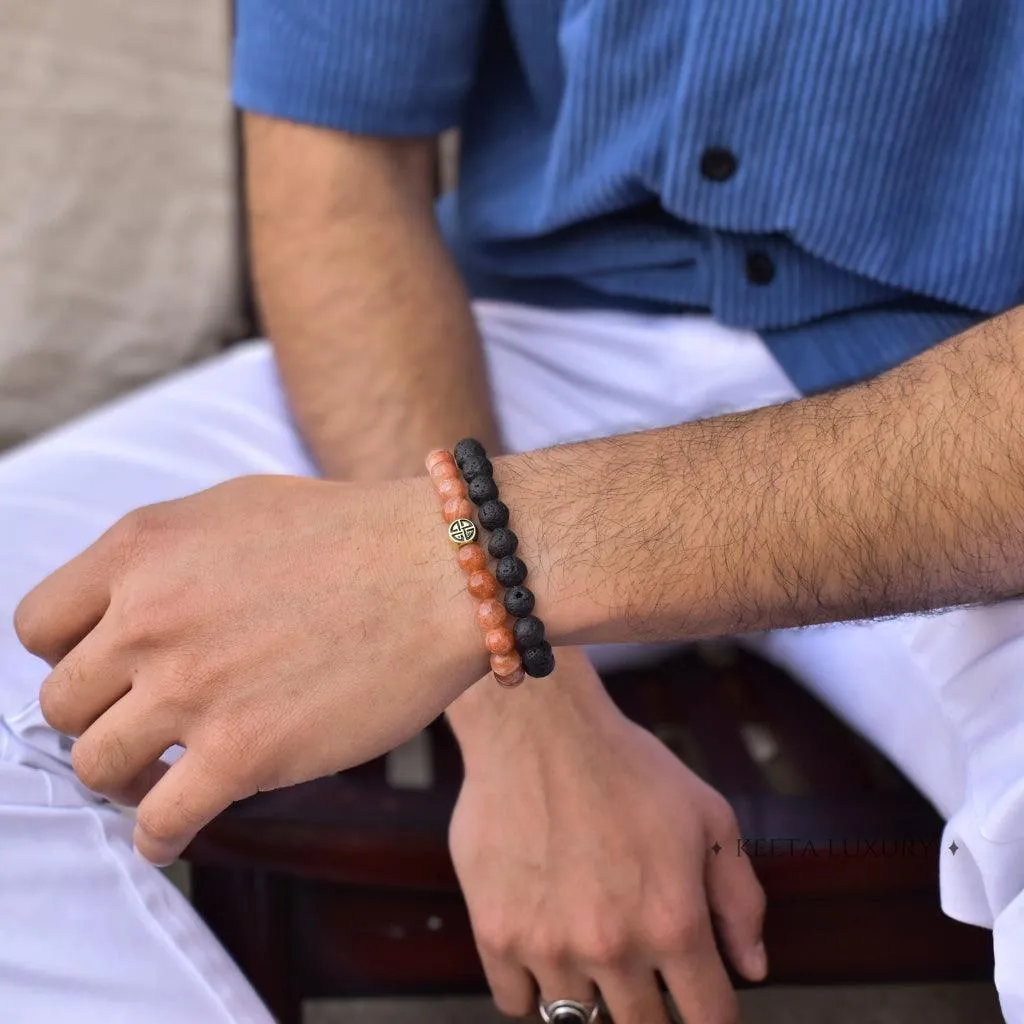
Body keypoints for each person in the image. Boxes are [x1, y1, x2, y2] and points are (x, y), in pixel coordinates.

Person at [4, 2, 1024, 1022]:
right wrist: (528, 715)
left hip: (968, 401)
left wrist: (464, 578)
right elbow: (339, 167)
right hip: (505, 355)